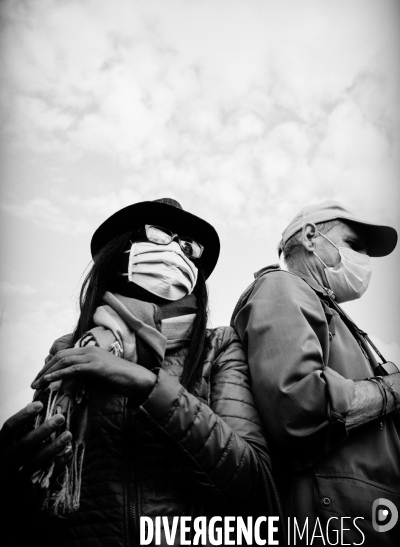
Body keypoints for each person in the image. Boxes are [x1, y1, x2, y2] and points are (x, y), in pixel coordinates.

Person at [1, 198, 281, 547]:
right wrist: (14, 482)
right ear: (119, 251)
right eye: (160, 234)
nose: (177, 251)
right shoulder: (71, 353)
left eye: (189, 247)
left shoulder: (218, 346)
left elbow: (257, 491)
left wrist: (147, 384)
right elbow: (46, 505)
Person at [232, 200, 400, 546]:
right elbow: (299, 408)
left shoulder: (337, 318)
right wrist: (391, 391)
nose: (364, 262)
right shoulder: (282, 287)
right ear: (310, 237)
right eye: (355, 245)